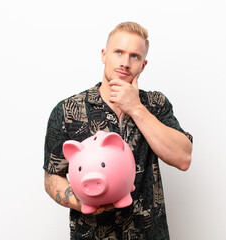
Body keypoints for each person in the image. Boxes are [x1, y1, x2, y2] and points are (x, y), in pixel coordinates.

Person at [43, 21, 193, 240]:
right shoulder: (67, 110)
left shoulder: (155, 104)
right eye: (118, 52)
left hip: (149, 233)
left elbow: (183, 158)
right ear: (104, 55)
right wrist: (81, 201)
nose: (125, 62)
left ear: (143, 65)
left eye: (134, 56)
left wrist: (136, 108)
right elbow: (51, 177)